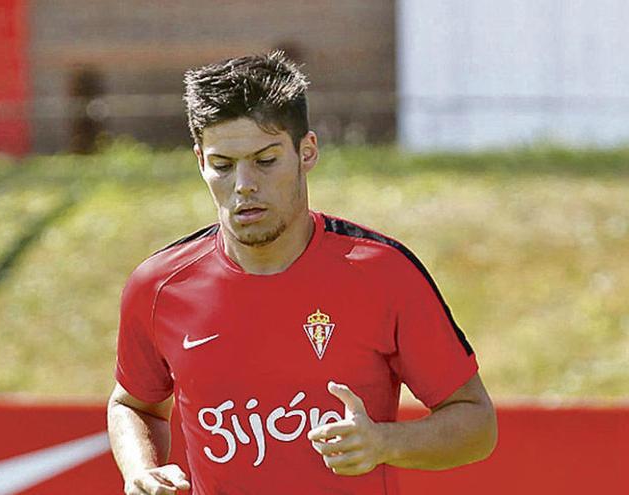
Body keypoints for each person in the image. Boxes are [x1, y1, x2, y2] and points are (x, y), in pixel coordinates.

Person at [107, 51, 497, 495]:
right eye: (223, 165)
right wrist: (140, 470)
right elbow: (134, 405)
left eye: (265, 160)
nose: (243, 185)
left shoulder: (383, 273)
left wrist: (384, 443)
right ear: (200, 161)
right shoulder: (157, 287)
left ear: (306, 151)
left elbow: (476, 424)